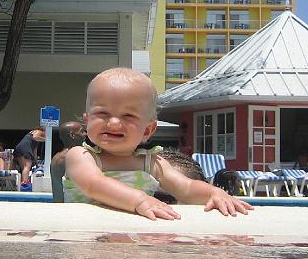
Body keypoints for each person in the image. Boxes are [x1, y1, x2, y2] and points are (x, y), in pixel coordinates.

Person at [64, 67, 253, 220]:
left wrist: (213, 193)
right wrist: (139, 200)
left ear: (147, 130)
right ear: (87, 121)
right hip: (86, 233)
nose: (113, 123)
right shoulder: (81, 156)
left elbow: (185, 188)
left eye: (128, 116)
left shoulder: (151, 163)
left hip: (130, 238)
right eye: (103, 113)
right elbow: (93, 185)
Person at [50, 121, 86, 202]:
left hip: (59, 204)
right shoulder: (70, 157)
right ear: (72, 135)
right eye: (82, 131)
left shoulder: (57, 157)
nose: (85, 134)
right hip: (67, 206)